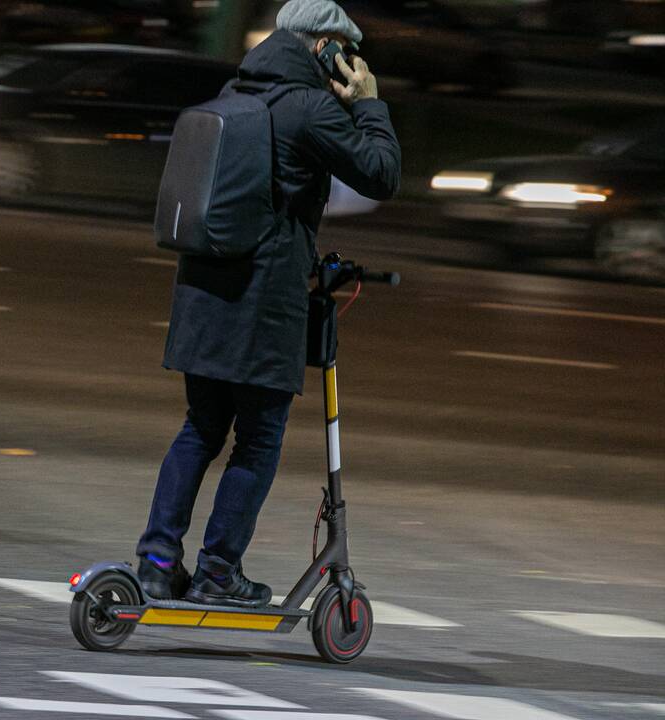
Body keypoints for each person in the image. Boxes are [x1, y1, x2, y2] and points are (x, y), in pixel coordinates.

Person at [136, 0, 401, 606]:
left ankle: (156, 560)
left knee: (201, 428)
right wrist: (368, 102)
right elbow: (382, 174)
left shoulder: (235, 91)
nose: (352, 63)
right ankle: (218, 572)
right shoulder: (307, 107)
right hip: (261, 305)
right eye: (345, 51)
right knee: (257, 439)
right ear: (322, 48)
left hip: (202, 293)